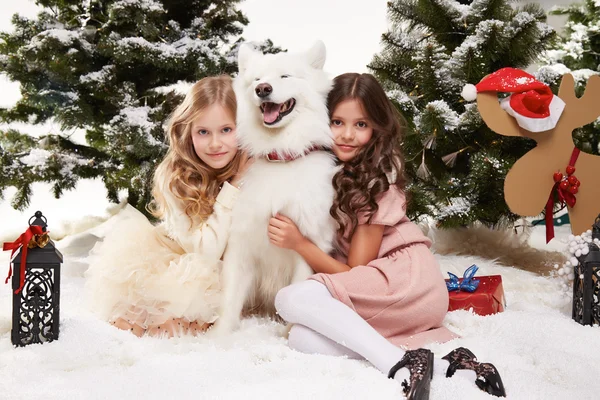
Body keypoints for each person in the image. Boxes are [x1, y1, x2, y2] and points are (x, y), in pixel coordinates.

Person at [268, 73, 505, 399]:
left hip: (404, 283)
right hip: (394, 295)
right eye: (337, 122)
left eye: (361, 125)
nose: (347, 135)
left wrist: (300, 244)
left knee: (290, 299)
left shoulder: (375, 179)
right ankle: (456, 368)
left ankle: (399, 366)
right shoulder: (327, 169)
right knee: (302, 339)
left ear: (377, 128)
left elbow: (355, 273)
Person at [85, 75, 251, 337]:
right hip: (183, 260)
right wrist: (234, 186)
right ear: (188, 131)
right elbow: (205, 254)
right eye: (203, 132)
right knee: (166, 325)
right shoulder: (175, 177)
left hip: (234, 266)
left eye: (226, 130)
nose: (215, 143)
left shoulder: (254, 165)